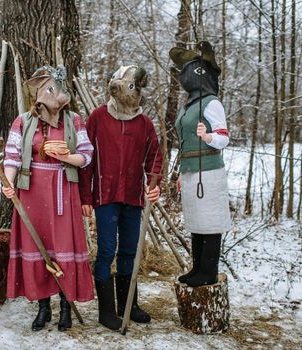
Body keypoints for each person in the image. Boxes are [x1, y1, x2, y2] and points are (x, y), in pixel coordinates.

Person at [2, 65, 94, 332]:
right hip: (31, 191)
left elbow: (86, 156)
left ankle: (65, 306)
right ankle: (43, 307)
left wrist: (65, 156)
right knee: (37, 244)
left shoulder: (74, 120)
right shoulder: (23, 121)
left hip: (63, 190)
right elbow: (12, 156)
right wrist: (9, 182)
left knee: (61, 246)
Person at [79, 66, 163, 331]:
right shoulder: (98, 117)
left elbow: (155, 158)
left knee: (129, 249)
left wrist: (154, 183)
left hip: (133, 196)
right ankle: (107, 311)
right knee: (106, 250)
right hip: (105, 195)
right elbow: (86, 160)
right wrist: (85, 196)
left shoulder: (144, 123)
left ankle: (130, 304)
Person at [169, 41, 231, 288]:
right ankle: (197, 268)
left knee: (210, 221)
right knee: (196, 220)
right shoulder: (189, 106)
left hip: (209, 170)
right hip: (190, 170)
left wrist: (208, 137)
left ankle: (209, 271)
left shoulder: (212, 103)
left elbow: (224, 138)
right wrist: (180, 173)